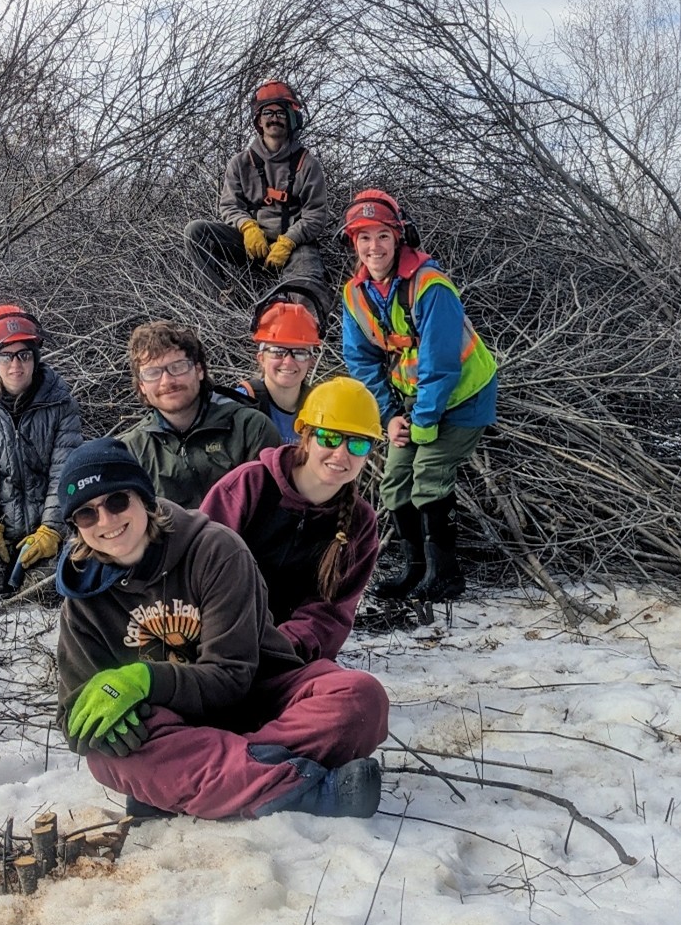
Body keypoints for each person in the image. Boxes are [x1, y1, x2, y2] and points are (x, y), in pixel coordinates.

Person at [54, 437, 390, 820]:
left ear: (144, 499)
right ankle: (310, 792)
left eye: (117, 502)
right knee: (106, 753)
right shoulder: (82, 596)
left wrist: (146, 679)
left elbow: (232, 678)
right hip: (175, 726)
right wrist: (98, 724)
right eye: (86, 515)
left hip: (259, 699)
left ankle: (189, 783)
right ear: (76, 527)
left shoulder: (215, 550)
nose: (107, 521)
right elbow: (74, 718)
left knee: (360, 698)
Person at [340, 190, 498, 620]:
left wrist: (425, 420)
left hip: (464, 397)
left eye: (382, 236)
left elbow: (441, 364)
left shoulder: (431, 286)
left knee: (428, 472)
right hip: (412, 401)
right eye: (363, 238)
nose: (374, 247)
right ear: (353, 243)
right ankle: (414, 570)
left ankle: (445, 574)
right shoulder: (355, 296)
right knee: (395, 479)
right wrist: (389, 417)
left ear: (399, 236)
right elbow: (362, 361)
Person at [201, 377, 382, 663]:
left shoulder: (360, 521)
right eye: (330, 437)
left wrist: (281, 648)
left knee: (360, 695)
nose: (341, 453)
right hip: (216, 646)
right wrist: (229, 643)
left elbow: (332, 612)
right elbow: (199, 572)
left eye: (358, 444)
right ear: (306, 436)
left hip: (289, 658)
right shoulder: (249, 485)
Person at [0, 305, 82, 598]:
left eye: (24, 355)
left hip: (47, 528)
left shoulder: (61, 403)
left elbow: (63, 471)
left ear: (35, 358)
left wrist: (53, 529)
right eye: (6, 355)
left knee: (44, 591)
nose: (16, 365)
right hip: (2, 528)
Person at [183, 80, 329, 295]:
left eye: (280, 113)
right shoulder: (240, 162)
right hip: (251, 245)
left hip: (293, 248)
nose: (274, 118)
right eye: (267, 112)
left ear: (291, 120)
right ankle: (223, 298)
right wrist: (248, 228)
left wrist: (289, 241)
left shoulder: (308, 164)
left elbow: (316, 215)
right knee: (195, 231)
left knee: (308, 285)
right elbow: (230, 205)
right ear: (259, 121)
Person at [118, 320, 281, 509]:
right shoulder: (132, 452)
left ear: (199, 370)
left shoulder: (250, 428)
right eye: (153, 373)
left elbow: (272, 514)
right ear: (141, 386)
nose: (167, 381)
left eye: (177, 366)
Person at [237, 300, 321, 444]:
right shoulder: (242, 401)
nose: (288, 361)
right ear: (261, 358)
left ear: (310, 362)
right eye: (277, 351)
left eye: (299, 353)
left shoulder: (319, 406)